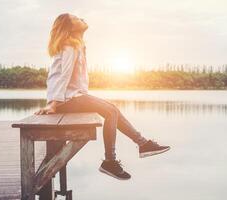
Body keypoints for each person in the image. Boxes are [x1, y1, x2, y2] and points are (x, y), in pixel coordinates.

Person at [34, 13, 170, 180]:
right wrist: (54, 103)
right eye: (76, 18)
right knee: (111, 111)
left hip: (73, 97)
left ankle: (142, 145)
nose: (81, 18)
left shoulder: (77, 45)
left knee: (112, 110)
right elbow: (64, 75)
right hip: (67, 99)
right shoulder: (69, 46)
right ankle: (111, 160)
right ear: (70, 27)